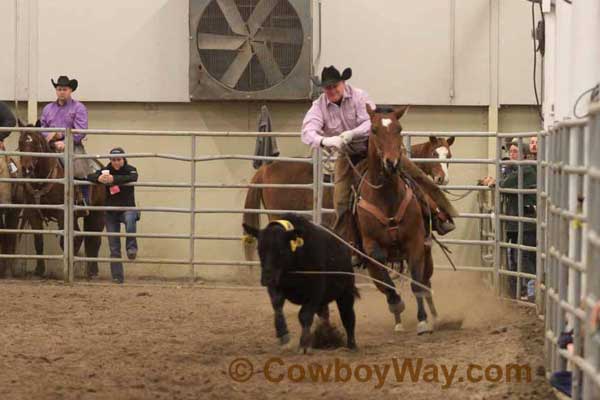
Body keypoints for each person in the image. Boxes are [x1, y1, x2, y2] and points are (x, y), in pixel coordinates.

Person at [301, 65, 457, 248]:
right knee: (341, 199)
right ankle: (349, 245)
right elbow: (307, 131)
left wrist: (350, 134)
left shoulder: (359, 97)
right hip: (348, 154)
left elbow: (371, 122)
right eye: (328, 88)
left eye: (335, 86)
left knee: (416, 177)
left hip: (377, 147)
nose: (332, 90)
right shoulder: (319, 106)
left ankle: (439, 216)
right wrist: (324, 141)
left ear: (343, 83)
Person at [482, 139, 537, 300]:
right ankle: (521, 291)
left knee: (525, 255)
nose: (511, 155)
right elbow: (506, 183)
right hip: (516, 221)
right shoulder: (518, 169)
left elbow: (506, 184)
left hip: (525, 221)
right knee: (516, 256)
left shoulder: (527, 169)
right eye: (510, 152)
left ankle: (530, 291)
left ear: (524, 154)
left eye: (515, 152)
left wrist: (494, 183)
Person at [40, 75, 95, 203]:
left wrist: (64, 141)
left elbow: (80, 131)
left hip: (72, 145)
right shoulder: (48, 109)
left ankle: (83, 199)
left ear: (70, 91)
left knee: (80, 168)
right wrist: (50, 135)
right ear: (56, 90)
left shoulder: (78, 108)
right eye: (59, 89)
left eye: (64, 89)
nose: (61, 92)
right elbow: (42, 127)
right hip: (49, 145)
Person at [88, 148, 139, 284]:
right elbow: (89, 176)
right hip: (111, 211)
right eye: (113, 160)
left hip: (127, 208)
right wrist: (99, 178)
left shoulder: (130, 169)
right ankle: (117, 276)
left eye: (118, 160)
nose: (116, 163)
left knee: (130, 221)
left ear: (123, 160)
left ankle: (131, 247)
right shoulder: (106, 170)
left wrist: (113, 179)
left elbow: (133, 177)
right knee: (114, 246)